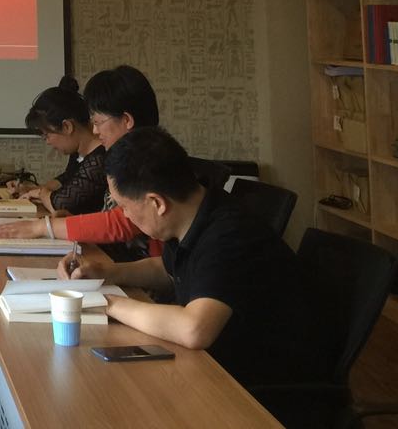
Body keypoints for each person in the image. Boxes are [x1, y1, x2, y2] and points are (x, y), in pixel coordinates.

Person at [65, 126, 314, 389]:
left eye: (124, 206)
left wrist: (106, 303)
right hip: (218, 364)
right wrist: (107, 272)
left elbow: (194, 329)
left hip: (264, 386)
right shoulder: (195, 212)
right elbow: (167, 269)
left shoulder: (231, 234)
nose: (124, 215)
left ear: (157, 203)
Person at [0, 64, 158, 248]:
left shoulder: (148, 162)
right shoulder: (131, 156)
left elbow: (119, 224)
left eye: (98, 122)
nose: (95, 130)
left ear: (126, 120)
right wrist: (73, 220)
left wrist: (42, 227)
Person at [8, 75, 105, 215]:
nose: (48, 142)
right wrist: (29, 190)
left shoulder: (100, 159)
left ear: (67, 127)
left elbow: (60, 205)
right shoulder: (79, 153)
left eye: (47, 135)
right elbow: (66, 179)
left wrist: (41, 193)